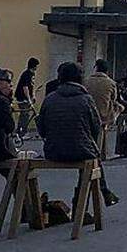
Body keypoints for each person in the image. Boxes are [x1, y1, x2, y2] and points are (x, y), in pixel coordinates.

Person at [38, 62, 118, 206]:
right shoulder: (86, 100)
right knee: (92, 160)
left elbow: (41, 128)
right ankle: (81, 206)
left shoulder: (49, 99)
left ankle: (104, 193)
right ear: (80, 79)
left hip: (52, 151)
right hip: (81, 151)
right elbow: (95, 128)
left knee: (91, 157)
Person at [84, 59, 125, 128]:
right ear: (107, 71)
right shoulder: (111, 83)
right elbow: (114, 99)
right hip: (104, 117)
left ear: (95, 69)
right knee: (120, 107)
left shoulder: (86, 81)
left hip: (88, 115)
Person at [14, 57, 39, 136]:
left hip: (27, 97)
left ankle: (21, 131)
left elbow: (31, 86)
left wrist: (33, 96)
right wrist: (28, 99)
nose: (37, 67)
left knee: (25, 114)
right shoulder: (26, 74)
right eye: (36, 65)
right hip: (22, 97)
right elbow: (25, 87)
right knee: (24, 115)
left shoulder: (32, 74)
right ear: (33, 66)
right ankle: (21, 133)